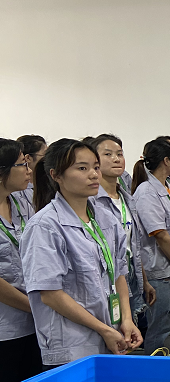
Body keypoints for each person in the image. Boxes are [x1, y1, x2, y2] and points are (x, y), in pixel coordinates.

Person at [21, 139, 142, 368]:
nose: (94, 174)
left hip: (111, 334)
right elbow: (50, 294)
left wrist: (126, 319)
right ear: (56, 175)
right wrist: (103, 329)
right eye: (82, 168)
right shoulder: (45, 226)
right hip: (72, 345)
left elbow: (119, 274)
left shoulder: (107, 219)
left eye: (95, 167)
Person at [90, 135, 156, 323]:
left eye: (119, 154)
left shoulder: (127, 198)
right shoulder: (92, 202)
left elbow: (133, 245)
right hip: (108, 280)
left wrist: (144, 281)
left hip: (131, 276)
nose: (116, 159)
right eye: (108, 154)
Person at [132, 138, 170, 352]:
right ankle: (154, 366)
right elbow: (160, 235)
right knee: (160, 327)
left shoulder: (169, 186)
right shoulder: (146, 191)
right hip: (159, 269)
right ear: (166, 161)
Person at [0, 139, 42, 382]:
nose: (29, 170)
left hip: (34, 323)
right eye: (22, 164)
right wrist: (35, 306)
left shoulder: (22, 201)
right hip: (6, 328)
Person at [12, 135, 47, 212]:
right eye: (45, 155)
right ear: (28, 158)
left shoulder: (47, 182)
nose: (47, 159)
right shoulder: (17, 189)